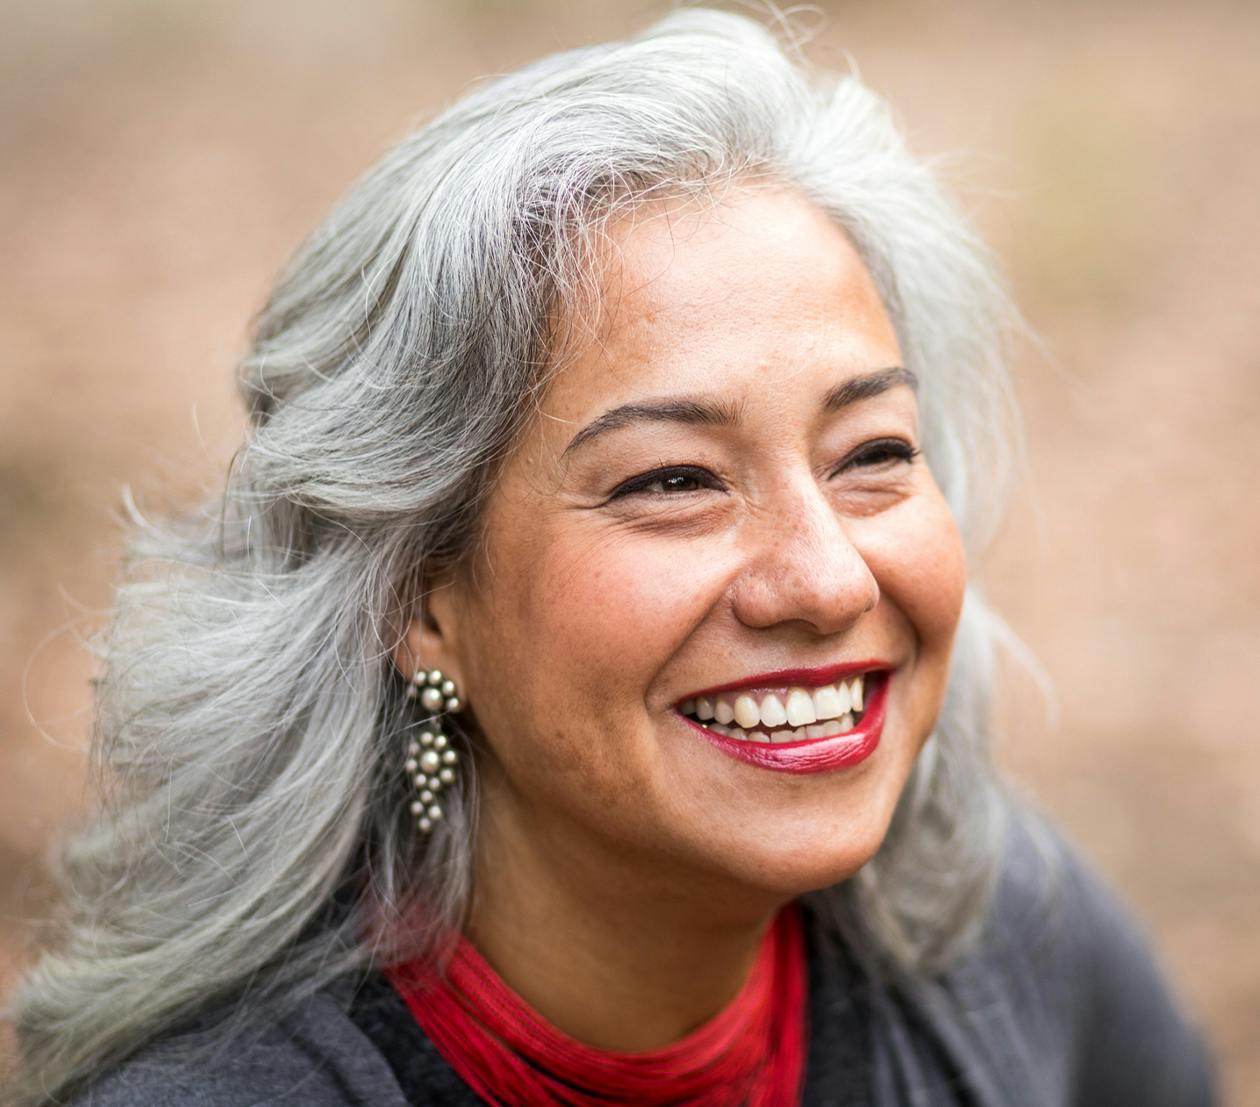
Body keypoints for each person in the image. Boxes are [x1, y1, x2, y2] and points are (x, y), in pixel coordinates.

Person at [7, 10, 1216, 1106]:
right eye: (674, 481)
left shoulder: (1018, 948)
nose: (829, 579)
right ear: (417, 599)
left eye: (871, 453)